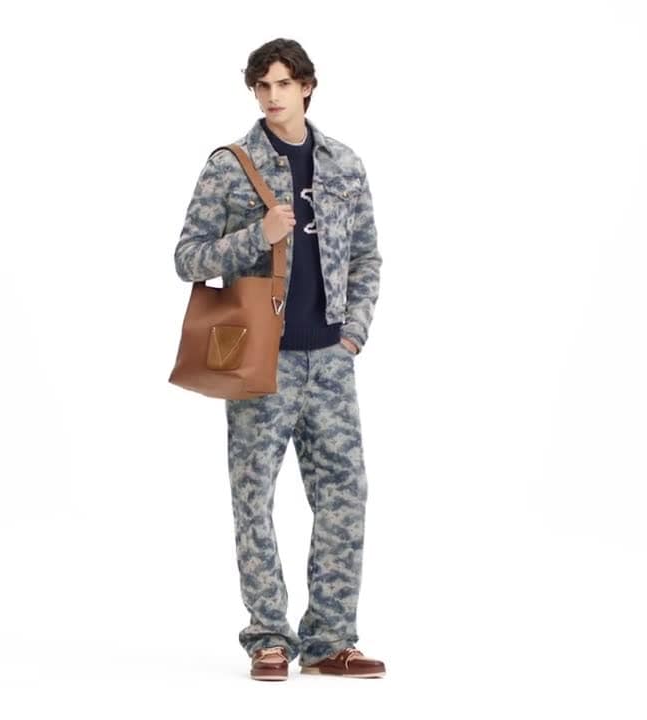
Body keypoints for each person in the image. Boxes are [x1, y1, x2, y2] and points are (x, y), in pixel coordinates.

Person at [174, 38, 384, 681]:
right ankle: (268, 637)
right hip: (258, 362)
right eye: (261, 85)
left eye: (283, 84)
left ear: (307, 86)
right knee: (254, 499)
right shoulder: (231, 166)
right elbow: (188, 257)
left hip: (330, 362)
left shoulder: (344, 163)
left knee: (345, 497)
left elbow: (367, 256)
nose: (272, 96)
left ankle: (330, 642)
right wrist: (254, 237)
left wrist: (353, 334)